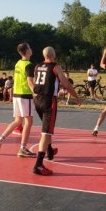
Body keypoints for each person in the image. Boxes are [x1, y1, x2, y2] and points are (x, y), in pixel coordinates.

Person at [33, 46, 81, 175]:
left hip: (37, 99)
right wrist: (76, 96)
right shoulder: (56, 67)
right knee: (46, 132)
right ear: (53, 55)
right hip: (48, 101)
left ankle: (49, 150)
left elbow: (40, 81)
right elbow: (66, 84)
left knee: (46, 128)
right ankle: (38, 165)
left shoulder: (37, 66)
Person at [0, 43, 35, 157]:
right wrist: (37, 93)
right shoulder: (29, 65)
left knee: (17, 121)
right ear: (27, 51)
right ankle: (23, 148)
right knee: (28, 122)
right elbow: (30, 82)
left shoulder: (18, 63)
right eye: (30, 48)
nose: (31, 49)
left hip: (16, 94)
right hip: (25, 95)